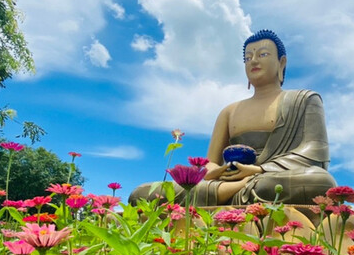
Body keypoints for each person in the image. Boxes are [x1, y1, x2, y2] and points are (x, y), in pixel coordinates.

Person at [130, 30, 336, 206]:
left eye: (263, 54)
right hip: (227, 181)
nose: (253, 60)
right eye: (247, 58)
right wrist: (219, 171)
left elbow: (314, 152)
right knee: (142, 193)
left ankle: (225, 195)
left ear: (281, 62)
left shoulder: (304, 100)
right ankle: (233, 191)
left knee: (319, 181)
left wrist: (257, 170)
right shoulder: (229, 111)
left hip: (270, 178)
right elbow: (209, 163)